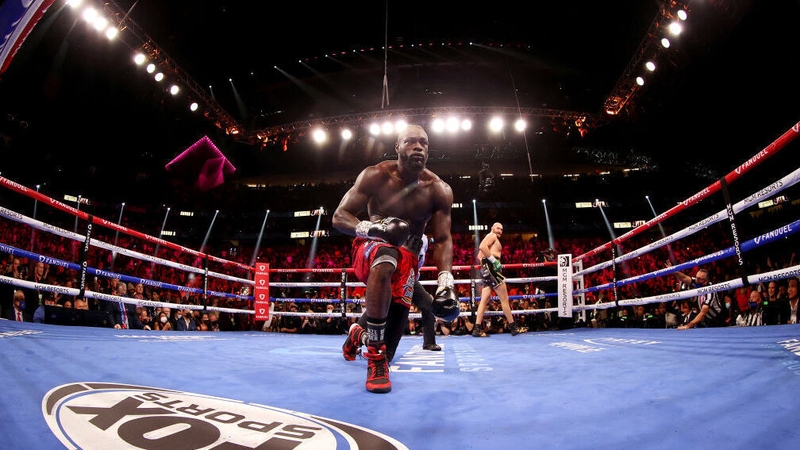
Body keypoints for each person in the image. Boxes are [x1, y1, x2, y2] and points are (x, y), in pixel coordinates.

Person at [333, 123, 458, 393]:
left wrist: (446, 282)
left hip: (408, 264)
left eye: (423, 143)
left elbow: (444, 239)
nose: (418, 147)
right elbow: (339, 216)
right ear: (397, 147)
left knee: (390, 346)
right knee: (386, 254)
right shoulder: (375, 175)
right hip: (370, 247)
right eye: (411, 142)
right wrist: (374, 228)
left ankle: (360, 336)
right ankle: (374, 357)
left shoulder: (438, 189)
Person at [472, 222, 527, 337]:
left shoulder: (490, 237)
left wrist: (486, 264)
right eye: (498, 228)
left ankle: (477, 328)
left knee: (484, 299)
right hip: (492, 269)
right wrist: (493, 260)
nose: (500, 231)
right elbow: (482, 247)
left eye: (501, 229)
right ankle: (513, 327)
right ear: (492, 228)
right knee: (504, 299)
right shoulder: (492, 235)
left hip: (487, 269)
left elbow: (479, 256)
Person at [667, 263, 727, 329]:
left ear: (705, 281)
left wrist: (687, 326)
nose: (696, 280)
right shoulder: (698, 283)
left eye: (699, 279)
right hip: (708, 319)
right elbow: (684, 278)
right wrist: (673, 270)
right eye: (696, 277)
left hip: (718, 319)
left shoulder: (710, 291)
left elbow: (703, 313)